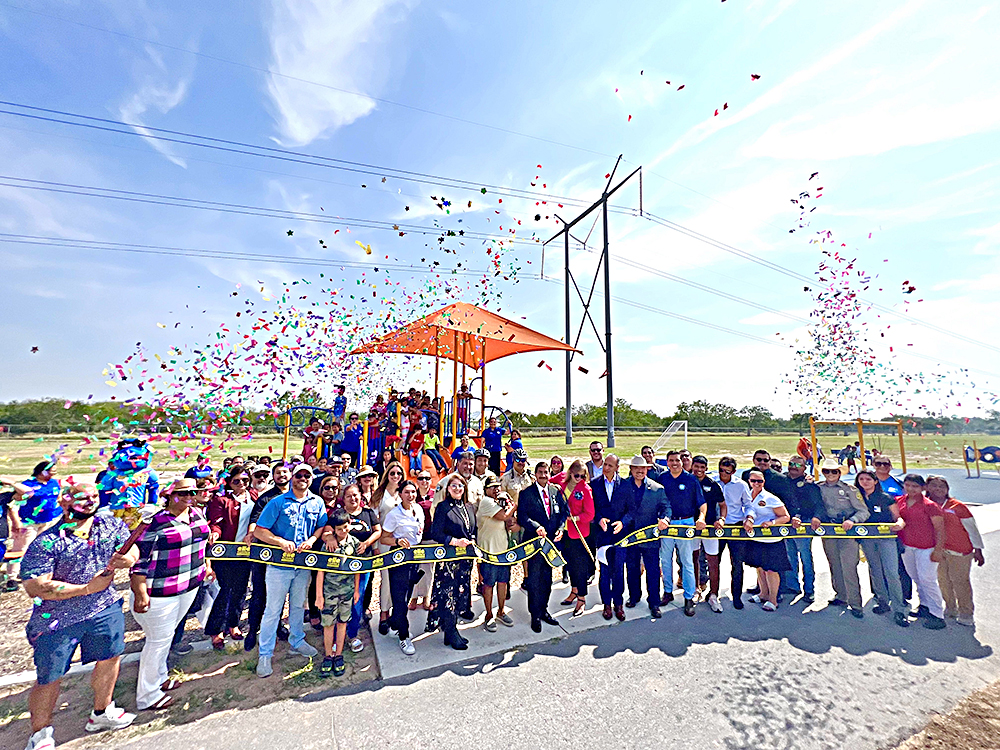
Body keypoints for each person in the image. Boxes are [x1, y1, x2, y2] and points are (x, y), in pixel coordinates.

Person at [20, 484, 137, 750]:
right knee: (50, 676)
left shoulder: (109, 526)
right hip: (56, 620)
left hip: (104, 608)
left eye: (94, 496)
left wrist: (129, 558)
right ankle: (41, 733)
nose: (90, 501)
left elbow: (131, 548)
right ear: (65, 502)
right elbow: (35, 586)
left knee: (109, 658)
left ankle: (102, 712)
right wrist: (84, 589)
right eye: (82, 497)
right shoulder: (48, 541)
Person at [131, 478, 212, 710]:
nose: (189, 496)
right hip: (160, 591)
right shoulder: (155, 522)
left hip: (188, 586)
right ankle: (147, 695)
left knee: (165, 636)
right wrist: (140, 592)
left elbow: (202, 543)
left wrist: (206, 564)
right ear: (169, 495)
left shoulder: (196, 514)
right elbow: (139, 561)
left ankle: (160, 677)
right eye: (182, 492)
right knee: (157, 641)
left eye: (192, 492)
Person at [252, 464, 327, 678]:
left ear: (311, 479)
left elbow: (321, 526)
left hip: (302, 565)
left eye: (306, 475)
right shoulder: (277, 502)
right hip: (279, 566)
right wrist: (280, 542)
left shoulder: (317, 502)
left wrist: (313, 539)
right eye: (298, 475)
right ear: (292, 478)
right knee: (273, 610)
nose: (302, 478)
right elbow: (259, 530)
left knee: (297, 606)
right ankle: (265, 654)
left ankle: (297, 640)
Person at [324, 483, 380, 654]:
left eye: (356, 495)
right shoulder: (339, 514)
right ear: (343, 498)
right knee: (337, 599)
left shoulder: (368, 513)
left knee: (357, 599)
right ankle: (333, 636)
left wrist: (367, 543)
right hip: (340, 568)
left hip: (363, 564)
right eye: (349, 496)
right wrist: (329, 538)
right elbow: (327, 530)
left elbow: (377, 531)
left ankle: (352, 634)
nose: (353, 498)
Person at [243, 462, 291, 652]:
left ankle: (277, 626)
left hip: (286, 552)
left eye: (285, 472)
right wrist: (250, 534)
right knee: (259, 593)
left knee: (279, 593)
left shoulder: (297, 495)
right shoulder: (266, 498)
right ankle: (253, 630)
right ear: (274, 477)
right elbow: (254, 520)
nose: (282, 475)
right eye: (278, 473)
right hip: (266, 551)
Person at [205, 467, 255, 649]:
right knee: (225, 590)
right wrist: (215, 534)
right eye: (236, 481)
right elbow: (216, 523)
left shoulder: (254, 497)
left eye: (245, 480)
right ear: (229, 482)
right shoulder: (221, 500)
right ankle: (216, 629)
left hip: (246, 552)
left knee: (241, 589)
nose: (241, 484)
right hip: (226, 551)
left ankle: (233, 624)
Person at [812, 459, 869, 619]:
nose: (830, 474)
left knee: (849, 567)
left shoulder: (850, 489)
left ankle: (856, 604)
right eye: (826, 471)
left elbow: (863, 511)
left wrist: (853, 520)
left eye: (834, 471)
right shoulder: (818, 488)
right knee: (834, 564)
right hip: (829, 530)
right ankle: (841, 596)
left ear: (839, 473)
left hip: (847, 532)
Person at [926, 475, 984, 627]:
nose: (938, 489)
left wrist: (978, 549)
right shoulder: (926, 505)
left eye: (941, 486)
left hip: (960, 551)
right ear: (927, 488)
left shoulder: (957, 506)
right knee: (943, 581)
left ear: (947, 489)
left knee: (960, 582)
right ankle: (951, 608)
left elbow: (972, 530)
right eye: (934, 485)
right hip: (939, 550)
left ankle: (966, 613)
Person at [428, 475, 477, 649]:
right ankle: (451, 630)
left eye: (460, 486)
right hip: (449, 560)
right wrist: (455, 541)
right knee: (448, 594)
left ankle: (451, 630)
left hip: (465, 560)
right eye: (453, 486)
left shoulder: (469, 507)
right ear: (447, 489)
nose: (457, 489)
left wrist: (472, 539)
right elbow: (436, 532)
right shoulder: (443, 507)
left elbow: (473, 528)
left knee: (459, 593)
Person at [854, 471, 909, 627]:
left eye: (868, 479)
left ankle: (899, 609)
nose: (865, 482)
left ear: (875, 481)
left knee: (891, 572)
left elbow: (897, 517)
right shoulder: (857, 498)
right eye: (862, 479)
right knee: (875, 570)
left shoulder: (885, 497)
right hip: (868, 539)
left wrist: (900, 524)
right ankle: (883, 601)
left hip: (886, 539)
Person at [517, 462, 567, 632]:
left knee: (547, 579)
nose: (544, 475)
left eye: (546, 472)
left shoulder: (555, 491)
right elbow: (522, 517)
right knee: (534, 580)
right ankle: (535, 614)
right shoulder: (526, 493)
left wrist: (560, 529)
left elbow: (563, 514)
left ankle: (544, 609)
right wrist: (536, 526)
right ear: (535, 474)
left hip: (551, 543)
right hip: (534, 543)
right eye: (540, 472)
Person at [656, 451, 706, 617]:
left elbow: (702, 504)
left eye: (677, 460)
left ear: (682, 461)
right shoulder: (662, 478)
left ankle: (689, 597)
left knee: (687, 562)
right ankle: (668, 591)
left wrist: (702, 517)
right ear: (667, 462)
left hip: (686, 523)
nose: (675, 463)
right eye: (671, 461)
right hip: (667, 525)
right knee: (666, 560)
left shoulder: (690, 479)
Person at [617, 455, 668, 618]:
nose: (640, 471)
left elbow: (666, 507)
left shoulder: (657, 488)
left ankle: (654, 602)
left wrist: (665, 519)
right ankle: (634, 596)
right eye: (636, 468)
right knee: (631, 568)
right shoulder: (623, 486)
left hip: (649, 537)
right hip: (630, 536)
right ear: (631, 469)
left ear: (647, 469)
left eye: (642, 468)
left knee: (652, 570)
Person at [895, 474, 948, 629]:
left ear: (923, 488)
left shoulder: (929, 505)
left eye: (915, 486)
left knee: (928, 580)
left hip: (926, 547)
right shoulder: (900, 501)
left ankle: (937, 614)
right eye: (908, 485)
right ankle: (924, 606)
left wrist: (938, 550)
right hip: (908, 546)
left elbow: (940, 529)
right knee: (916, 577)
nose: (911, 489)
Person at [381, 480, 424, 655]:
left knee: (407, 595)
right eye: (407, 492)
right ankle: (404, 636)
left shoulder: (419, 509)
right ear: (400, 494)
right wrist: (397, 541)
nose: (410, 495)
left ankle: (394, 623)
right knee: (399, 597)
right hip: (398, 556)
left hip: (414, 556)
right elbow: (384, 538)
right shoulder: (394, 514)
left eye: (413, 492)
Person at [315, 508, 359, 677]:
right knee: (328, 624)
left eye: (346, 527)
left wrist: (356, 590)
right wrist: (319, 595)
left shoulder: (353, 543)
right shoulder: (328, 545)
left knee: (342, 623)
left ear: (350, 525)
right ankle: (328, 656)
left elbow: (357, 569)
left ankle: (338, 655)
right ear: (333, 529)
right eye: (339, 529)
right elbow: (320, 572)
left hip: (347, 592)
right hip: (329, 593)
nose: (343, 531)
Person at [742, 470, 790, 611]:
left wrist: (772, 523)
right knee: (759, 567)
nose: (756, 483)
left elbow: (785, 516)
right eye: (753, 481)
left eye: (760, 481)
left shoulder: (770, 498)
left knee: (771, 570)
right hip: (756, 538)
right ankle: (763, 593)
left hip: (771, 540)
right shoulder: (747, 495)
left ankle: (773, 600)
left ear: (764, 482)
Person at [554, 460, 595, 617]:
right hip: (564, 532)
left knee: (580, 567)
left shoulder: (585, 489)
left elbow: (590, 514)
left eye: (582, 476)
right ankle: (573, 591)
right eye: (577, 475)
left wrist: (575, 518)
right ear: (570, 472)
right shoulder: (562, 480)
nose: (579, 478)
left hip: (578, 533)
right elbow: (548, 483)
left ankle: (581, 599)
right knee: (569, 564)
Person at [10, 461, 61, 583]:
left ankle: (33, 571)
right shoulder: (27, 485)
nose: (53, 474)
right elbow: (14, 504)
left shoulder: (53, 483)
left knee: (42, 547)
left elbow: (58, 497)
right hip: (29, 523)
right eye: (51, 471)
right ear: (42, 471)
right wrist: (16, 522)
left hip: (48, 521)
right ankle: (12, 576)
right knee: (21, 548)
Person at [477, 476, 516, 631]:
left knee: (503, 582)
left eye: (497, 487)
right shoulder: (486, 502)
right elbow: (504, 516)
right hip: (488, 551)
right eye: (492, 487)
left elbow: (509, 522)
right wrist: (514, 504)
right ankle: (488, 615)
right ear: (486, 489)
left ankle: (501, 611)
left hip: (503, 550)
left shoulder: (499, 503)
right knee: (488, 584)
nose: (496, 490)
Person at [716, 457, 753, 610]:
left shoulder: (741, 485)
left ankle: (736, 596)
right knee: (713, 562)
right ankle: (713, 593)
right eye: (721, 470)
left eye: (727, 471)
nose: (723, 474)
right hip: (717, 526)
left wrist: (749, 518)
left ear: (734, 471)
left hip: (736, 527)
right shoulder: (713, 482)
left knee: (737, 563)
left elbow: (749, 505)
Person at [782, 456, 821, 603]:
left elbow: (818, 503)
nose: (794, 467)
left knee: (805, 557)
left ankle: (809, 590)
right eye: (791, 464)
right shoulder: (784, 480)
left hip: (803, 524)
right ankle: (793, 586)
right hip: (787, 523)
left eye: (798, 465)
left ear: (805, 468)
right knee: (790, 556)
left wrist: (817, 517)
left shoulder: (809, 484)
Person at [372, 462, 404, 635]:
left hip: (401, 543)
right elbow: (374, 520)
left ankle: (396, 612)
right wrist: (376, 545)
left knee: (399, 580)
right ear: (387, 474)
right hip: (385, 542)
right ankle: (383, 613)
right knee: (385, 579)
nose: (395, 476)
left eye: (399, 473)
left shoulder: (404, 492)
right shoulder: (379, 494)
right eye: (392, 473)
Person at [591, 454, 624, 620]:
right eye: (605, 464)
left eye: (610, 466)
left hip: (619, 535)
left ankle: (618, 604)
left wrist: (623, 522)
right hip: (603, 536)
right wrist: (599, 519)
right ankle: (606, 604)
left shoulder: (625, 485)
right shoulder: (594, 484)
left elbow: (631, 510)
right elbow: (592, 508)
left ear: (617, 467)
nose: (606, 468)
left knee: (618, 571)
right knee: (604, 572)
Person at [690, 455, 724, 613]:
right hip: (691, 527)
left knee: (713, 560)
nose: (699, 470)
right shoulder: (687, 481)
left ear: (706, 468)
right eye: (696, 466)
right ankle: (696, 589)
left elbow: (723, 505)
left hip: (710, 527)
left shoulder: (712, 484)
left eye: (702, 467)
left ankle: (713, 594)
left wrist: (722, 519)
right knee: (694, 559)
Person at [409, 472, 436, 611]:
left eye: (427, 478)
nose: (424, 481)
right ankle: (413, 597)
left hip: (431, 537)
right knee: (415, 567)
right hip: (415, 538)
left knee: (429, 569)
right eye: (421, 478)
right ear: (417, 480)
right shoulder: (412, 495)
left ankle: (427, 596)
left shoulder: (436, 494)